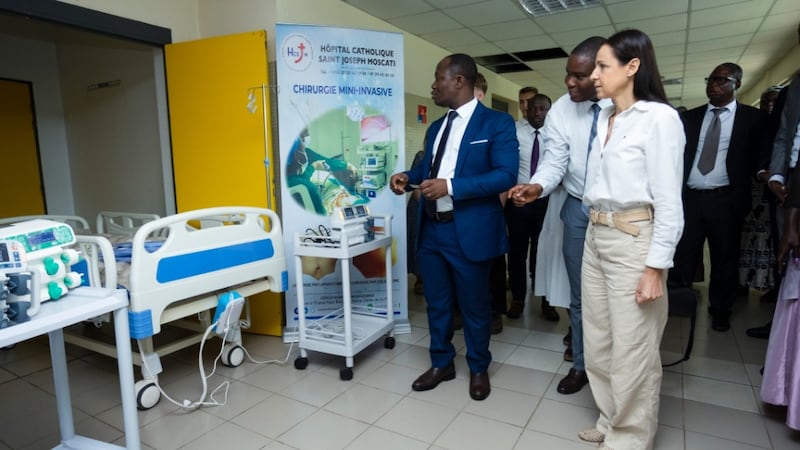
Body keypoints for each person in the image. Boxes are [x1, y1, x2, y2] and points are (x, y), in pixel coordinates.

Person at [577, 29, 685, 450]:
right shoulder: (605, 116)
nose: (595, 75)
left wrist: (656, 266)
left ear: (633, 67)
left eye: (603, 66)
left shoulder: (659, 118)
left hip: (635, 238)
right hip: (596, 234)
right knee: (599, 339)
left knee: (633, 347)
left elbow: (669, 201)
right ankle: (609, 419)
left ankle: (630, 439)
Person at [389, 53, 518, 401]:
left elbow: (505, 175)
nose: (432, 85)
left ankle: (478, 367)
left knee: (475, 306)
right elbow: (428, 171)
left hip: (469, 229)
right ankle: (441, 363)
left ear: (459, 81)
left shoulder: (496, 124)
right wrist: (408, 176)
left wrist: (452, 186)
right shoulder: (436, 127)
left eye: (438, 78)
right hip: (432, 229)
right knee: (438, 302)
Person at [508, 36, 611, 395]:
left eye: (578, 75)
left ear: (603, 71)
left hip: (620, 215)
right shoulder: (563, 110)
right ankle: (581, 365)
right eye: (568, 74)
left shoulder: (636, 106)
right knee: (580, 294)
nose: (569, 82)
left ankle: (616, 372)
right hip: (577, 207)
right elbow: (554, 161)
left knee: (619, 297)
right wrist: (536, 186)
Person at [669, 62, 768, 332]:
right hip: (690, 197)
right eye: (711, 79)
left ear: (737, 83)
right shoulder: (691, 118)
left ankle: (720, 309)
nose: (714, 84)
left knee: (724, 257)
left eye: (723, 80)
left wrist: (764, 174)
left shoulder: (753, 118)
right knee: (682, 253)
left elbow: (760, 155)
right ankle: (677, 301)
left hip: (727, 199)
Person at [506, 93, 557, 322]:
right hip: (517, 201)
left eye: (543, 109)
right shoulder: (515, 131)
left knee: (543, 253)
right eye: (534, 109)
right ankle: (518, 299)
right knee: (517, 253)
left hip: (546, 202)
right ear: (526, 109)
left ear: (550, 109)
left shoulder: (557, 134)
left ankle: (546, 301)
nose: (538, 113)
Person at [406, 150, 425, 295]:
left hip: (434, 205)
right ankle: (420, 279)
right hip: (420, 206)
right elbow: (416, 188)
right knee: (418, 241)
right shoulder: (421, 156)